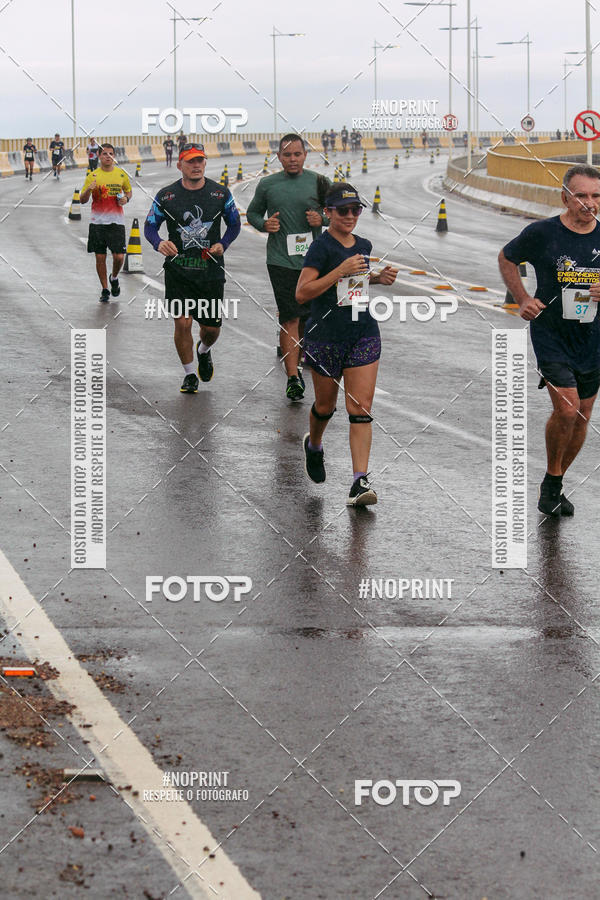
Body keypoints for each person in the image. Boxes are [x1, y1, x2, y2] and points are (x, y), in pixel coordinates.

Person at [498, 164, 600, 516]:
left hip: (593, 337)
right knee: (567, 407)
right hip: (551, 332)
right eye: (581, 195)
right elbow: (507, 257)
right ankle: (553, 485)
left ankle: (553, 481)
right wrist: (522, 299)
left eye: (596, 196)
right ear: (565, 197)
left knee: (583, 414)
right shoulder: (543, 233)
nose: (589, 203)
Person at [296, 183, 398, 506]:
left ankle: (359, 482)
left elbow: (354, 287)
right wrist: (339, 270)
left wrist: (377, 279)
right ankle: (314, 445)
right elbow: (302, 292)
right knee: (325, 407)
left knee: (361, 409)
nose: (351, 216)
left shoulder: (364, 244)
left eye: (356, 210)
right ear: (328, 213)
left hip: (362, 332)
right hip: (325, 336)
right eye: (343, 210)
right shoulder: (320, 248)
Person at [144, 142, 241, 394]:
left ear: (205, 163)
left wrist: (223, 243)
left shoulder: (220, 194)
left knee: (210, 329)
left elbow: (234, 225)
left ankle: (204, 351)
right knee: (183, 323)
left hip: (210, 272)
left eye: (200, 160)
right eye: (190, 161)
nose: (196, 165)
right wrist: (159, 243)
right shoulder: (166, 196)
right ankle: (189, 374)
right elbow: (149, 227)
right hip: (178, 271)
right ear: (180, 165)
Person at [246, 133, 330, 401]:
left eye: (297, 154)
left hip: (314, 262)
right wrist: (263, 224)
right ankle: (293, 378)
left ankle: (295, 349)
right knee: (290, 316)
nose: (292, 159)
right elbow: (253, 213)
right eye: (286, 155)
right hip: (280, 260)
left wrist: (322, 219)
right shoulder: (268, 185)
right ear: (279, 157)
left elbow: (337, 212)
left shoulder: (318, 182)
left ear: (305, 155)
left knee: (307, 318)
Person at [80, 143, 132, 303]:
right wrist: (89, 189)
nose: (107, 156)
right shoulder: (93, 176)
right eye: (104, 154)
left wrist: (126, 199)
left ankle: (114, 277)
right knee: (100, 258)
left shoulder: (121, 175)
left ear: (114, 156)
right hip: (97, 224)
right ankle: (104, 289)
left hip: (116, 222)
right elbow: (82, 200)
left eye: (110, 153)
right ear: (99, 157)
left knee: (119, 257)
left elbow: (128, 191)